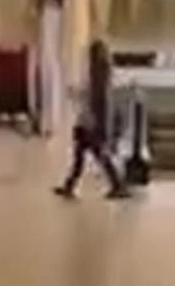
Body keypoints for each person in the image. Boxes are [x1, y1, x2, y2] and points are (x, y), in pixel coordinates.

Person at [55, 40, 131, 199]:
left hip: (91, 124)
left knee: (97, 156)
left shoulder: (99, 79)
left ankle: (117, 185)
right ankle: (71, 185)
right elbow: (88, 96)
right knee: (85, 156)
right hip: (88, 122)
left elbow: (96, 102)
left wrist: (100, 126)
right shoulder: (98, 76)